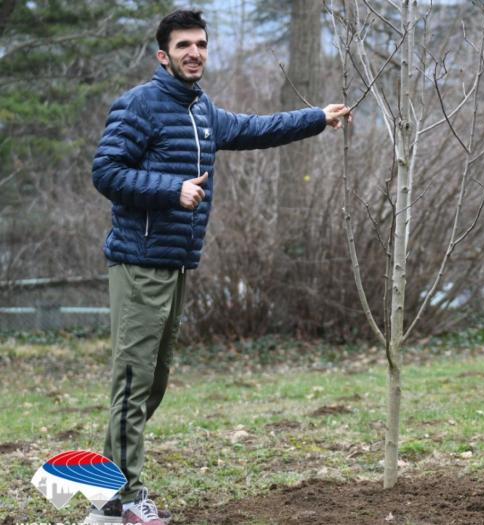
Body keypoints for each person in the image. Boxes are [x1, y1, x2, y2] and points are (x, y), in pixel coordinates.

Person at [85, 9, 351, 525]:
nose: (194, 53)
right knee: (133, 383)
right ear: (163, 55)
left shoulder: (201, 110)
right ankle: (122, 497)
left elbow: (255, 129)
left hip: (175, 266)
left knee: (151, 384)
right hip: (139, 264)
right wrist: (171, 189)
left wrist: (318, 117)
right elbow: (106, 171)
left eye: (201, 44)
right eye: (183, 45)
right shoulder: (140, 105)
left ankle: (107, 496)